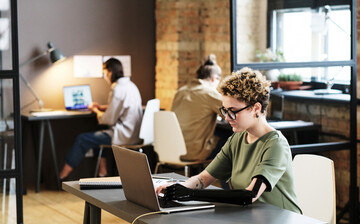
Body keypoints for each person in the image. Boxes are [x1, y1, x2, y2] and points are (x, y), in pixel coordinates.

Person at [156, 67, 302, 215]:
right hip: (251, 220)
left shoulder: (276, 144)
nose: (226, 117)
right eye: (225, 110)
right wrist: (177, 187)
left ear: (256, 108)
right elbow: (204, 177)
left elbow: (249, 195)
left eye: (233, 111)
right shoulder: (237, 139)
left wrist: (190, 194)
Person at [60, 58, 143, 179]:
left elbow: (107, 120)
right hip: (135, 134)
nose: (105, 77)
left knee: (83, 139)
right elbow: (121, 106)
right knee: (97, 136)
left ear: (110, 72)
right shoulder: (131, 86)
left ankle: (62, 177)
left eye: (104, 74)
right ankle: (102, 172)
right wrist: (102, 107)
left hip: (124, 135)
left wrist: (95, 110)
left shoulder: (118, 89)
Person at [171, 54, 224, 162]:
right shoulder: (209, 93)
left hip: (171, 149)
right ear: (214, 79)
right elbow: (231, 114)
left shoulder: (180, 91)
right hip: (193, 152)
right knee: (230, 138)